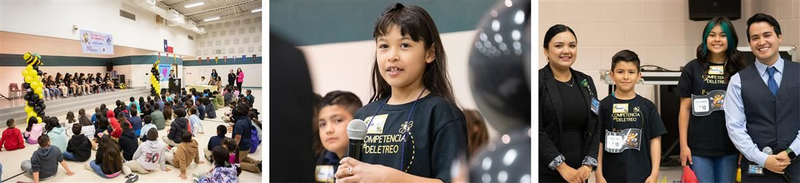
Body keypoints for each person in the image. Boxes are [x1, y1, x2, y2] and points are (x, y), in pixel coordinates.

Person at [334, 3, 466, 182]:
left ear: (430, 53)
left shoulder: (441, 112)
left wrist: (389, 177)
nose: (392, 56)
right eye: (383, 46)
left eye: (404, 45)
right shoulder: (364, 115)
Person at [725, 13, 800, 182]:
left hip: (797, 167)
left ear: (779, 37)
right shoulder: (737, 82)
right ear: (750, 43)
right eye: (755, 38)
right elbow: (735, 128)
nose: (761, 42)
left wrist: (791, 152)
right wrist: (764, 159)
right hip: (757, 170)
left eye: (767, 35)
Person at [676, 16, 746, 182]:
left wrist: (744, 147)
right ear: (705, 38)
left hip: (730, 147)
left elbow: (747, 110)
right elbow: (684, 109)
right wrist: (683, 145)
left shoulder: (740, 69)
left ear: (730, 39)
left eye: (722, 35)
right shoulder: (692, 68)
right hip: (698, 149)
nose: (717, 39)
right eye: (712, 35)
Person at [538, 24, 602, 183]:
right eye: (559, 46)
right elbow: (535, 129)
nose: (566, 51)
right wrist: (561, 166)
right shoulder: (537, 82)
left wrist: (588, 165)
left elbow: (596, 124)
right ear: (546, 51)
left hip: (580, 175)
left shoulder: (586, 81)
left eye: (572, 46)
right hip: (547, 173)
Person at [595, 50, 667, 183]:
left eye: (631, 72)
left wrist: (654, 174)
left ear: (639, 75)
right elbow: (598, 142)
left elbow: (655, 140)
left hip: (642, 177)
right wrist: (598, 175)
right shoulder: (603, 106)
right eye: (620, 71)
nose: (626, 77)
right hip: (610, 177)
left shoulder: (648, 106)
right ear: (612, 75)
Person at [315, 91, 362, 182]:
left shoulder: (367, 159)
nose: (329, 130)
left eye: (338, 120)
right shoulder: (323, 158)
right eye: (322, 124)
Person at [232, 104, 262, 173]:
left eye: (237, 109)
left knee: (234, 163)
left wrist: (233, 148)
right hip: (248, 145)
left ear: (239, 111)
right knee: (243, 158)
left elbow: (238, 137)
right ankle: (258, 162)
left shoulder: (240, 123)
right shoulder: (247, 118)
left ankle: (256, 168)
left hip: (241, 147)